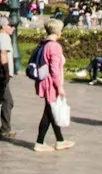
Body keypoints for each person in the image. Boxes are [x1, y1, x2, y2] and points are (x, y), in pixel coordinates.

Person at [30, 17, 71, 151]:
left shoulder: (44, 44)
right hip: (50, 84)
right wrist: (59, 87)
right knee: (49, 112)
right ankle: (41, 143)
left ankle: (58, 140)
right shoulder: (54, 46)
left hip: (44, 81)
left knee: (49, 112)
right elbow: (54, 69)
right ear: (58, 31)